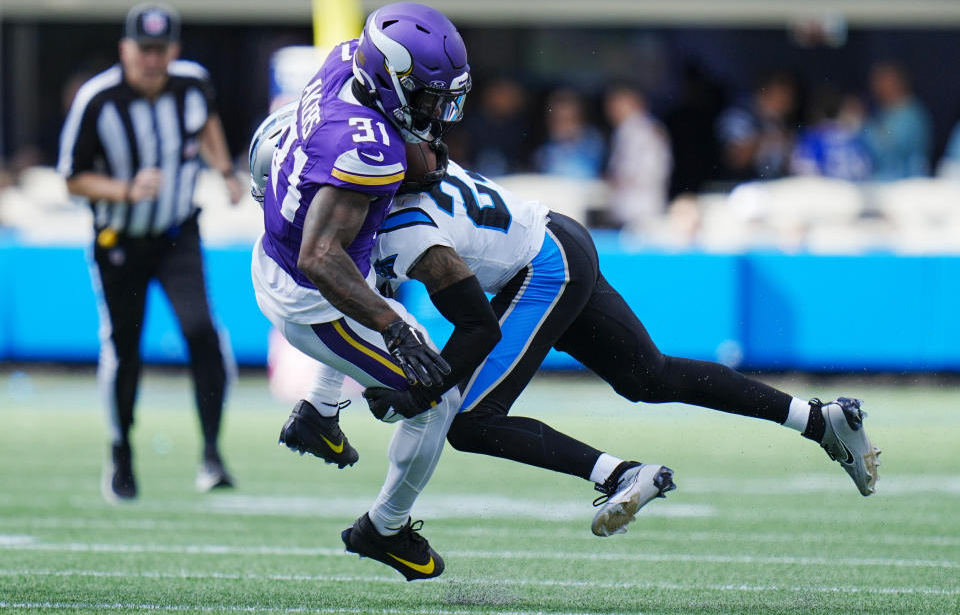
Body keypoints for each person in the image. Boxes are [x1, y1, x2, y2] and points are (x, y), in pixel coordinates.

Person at [250, 115, 881, 542]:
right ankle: (819, 418)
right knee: (648, 377)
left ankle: (619, 473)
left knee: (467, 418)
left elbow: (473, 330)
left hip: (543, 268)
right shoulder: (382, 175)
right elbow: (369, 295)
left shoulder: (393, 223)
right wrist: (322, 405)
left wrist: (412, 394)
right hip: (555, 235)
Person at [248, 3, 486, 582]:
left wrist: (410, 159)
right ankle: (384, 528)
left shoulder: (344, 62)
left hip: (289, 250)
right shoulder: (365, 148)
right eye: (427, 96)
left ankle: (319, 415)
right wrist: (395, 330)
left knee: (379, 240)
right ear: (391, 78)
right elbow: (321, 258)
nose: (438, 110)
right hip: (312, 294)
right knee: (436, 396)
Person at [57, 2, 244, 503]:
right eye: (144, 50)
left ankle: (211, 453)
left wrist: (225, 171)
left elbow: (206, 121)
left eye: (161, 50)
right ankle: (120, 452)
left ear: (173, 51)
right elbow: (71, 179)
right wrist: (124, 190)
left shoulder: (192, 84)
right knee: (124, 349)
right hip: (118, 240)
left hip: (178, 233)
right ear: (126, 49)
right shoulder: (98, 100)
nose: (152, 60)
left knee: (202, 332)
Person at [602, 84, 672, 230]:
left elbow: (651, 172)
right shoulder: (625, 130)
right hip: (630, 210)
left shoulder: (642, 130)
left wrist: (614, 180)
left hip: (641, 211)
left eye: (617, 102)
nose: (611, 109)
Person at [716, 70, 798, 182]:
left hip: (771, 186)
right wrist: (771, 138)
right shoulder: (738, 116)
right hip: (738, 187)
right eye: (783, 98)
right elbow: (737, 159)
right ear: (765, 93)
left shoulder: (776, 121)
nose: (789, 104)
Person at [863, 61, 932, 181]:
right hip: (881, 181)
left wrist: (861, 125)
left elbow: (887, 147)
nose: (877, 87)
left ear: (896, 82)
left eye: (882, 80)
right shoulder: (883, 111)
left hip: (908, 183)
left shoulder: (911, 113)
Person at [533, 88, 606, 180]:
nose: (563, 125)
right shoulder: (547, 144)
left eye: (567, 119)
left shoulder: (592, 139)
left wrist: (572, 140)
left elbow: (587, 170)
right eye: (557, 120)